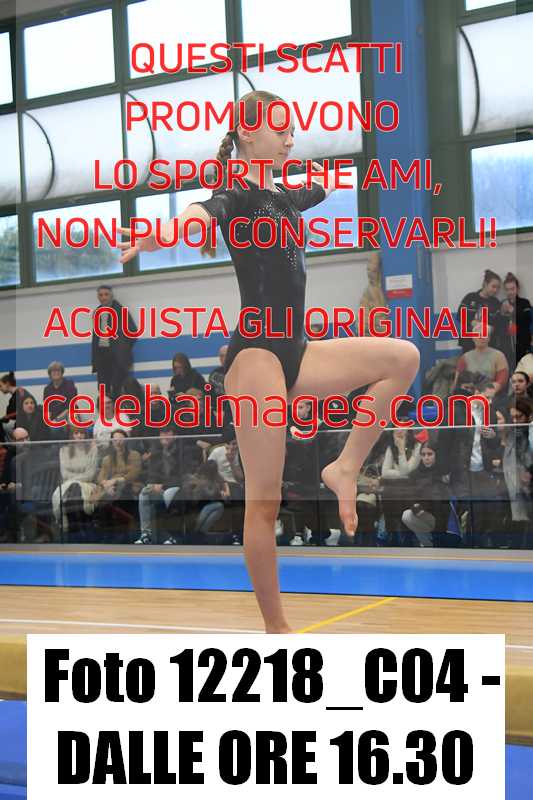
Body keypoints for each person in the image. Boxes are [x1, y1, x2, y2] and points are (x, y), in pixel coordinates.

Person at [117, 89, 420, 632]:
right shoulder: (236, 192)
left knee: (403, 357)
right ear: (247, 134)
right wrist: (164, 232)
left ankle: (344, 467)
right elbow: (203, 212)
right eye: (281, 130)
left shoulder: (282, 194)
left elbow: (316, 189)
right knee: (264, 500)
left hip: (296, 350)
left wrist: (339, 172)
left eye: (292, 131)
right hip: (257, 355)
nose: (290, 139)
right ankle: (276, 627)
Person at [91, 285, 137, 400]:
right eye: (101, 295)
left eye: (106, 294)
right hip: (102, 355)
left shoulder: (121, 311)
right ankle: (107, 411)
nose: (103, 297)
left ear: (111, 295)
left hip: (117, 356)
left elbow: (133, 333)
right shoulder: (97, 313)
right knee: (103, 390)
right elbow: (95, 336)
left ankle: (119, 410)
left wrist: (122, 349)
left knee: (118, 388)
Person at [457, 269, 503, 353]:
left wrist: (491, 328)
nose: (495, 290)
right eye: (493, 286)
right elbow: (459, 316)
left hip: (488, 345)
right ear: (485, 284)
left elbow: (499, 324)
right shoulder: (470, 297)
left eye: (498, 288)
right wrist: (472, 322)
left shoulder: (496, 303)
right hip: (468, 343)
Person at [500, 273, 532, 367]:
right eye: (507, 289)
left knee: (523, 370)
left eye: (512, 289)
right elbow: (499, 326)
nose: (510, 292)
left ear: (517, 289)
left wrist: (513, 311)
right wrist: (502, 314)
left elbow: (527, 320)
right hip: (507, 347)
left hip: (523, 345)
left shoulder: (525, 303)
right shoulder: (502, 304)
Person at [43, 362, 78, 434]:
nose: (56, 373)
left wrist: (57, 419)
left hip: (69, 413)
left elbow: (70, 405)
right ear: (50, 374)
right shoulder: (47, 389)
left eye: (58, 370)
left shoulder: (70, 385)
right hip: (54, 416)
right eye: (53, 371)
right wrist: (48, 421)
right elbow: (48, 408)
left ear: (62, 372)